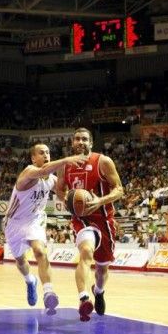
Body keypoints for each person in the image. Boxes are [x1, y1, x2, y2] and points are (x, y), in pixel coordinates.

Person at [4, 143, 86, 315]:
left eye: (48, 153)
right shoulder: (28, 172)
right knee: (20, 261)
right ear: (33, 158)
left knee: (40, 251)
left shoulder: (51, 179)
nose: (46, 155)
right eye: (41, 153)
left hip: (35, 220)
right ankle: (30, 281)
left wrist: (78, 200)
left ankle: (49, 292)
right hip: (14, 222)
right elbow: (43, 171)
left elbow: (64, 192)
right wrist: (66, 160)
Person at [55, 128, 124, 322]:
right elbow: (60, 189)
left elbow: (119, 189)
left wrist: (100, 201)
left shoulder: (103, 161)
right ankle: (83, 298)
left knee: (102, 269)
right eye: (77, 139)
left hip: (103, 218)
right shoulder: (65, 165)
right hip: (81, 220)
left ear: (91, 143)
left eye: (85, 139)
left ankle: (99, 291)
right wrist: (69, 200)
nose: (80, 142)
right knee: (85, 252)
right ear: (72, 143)